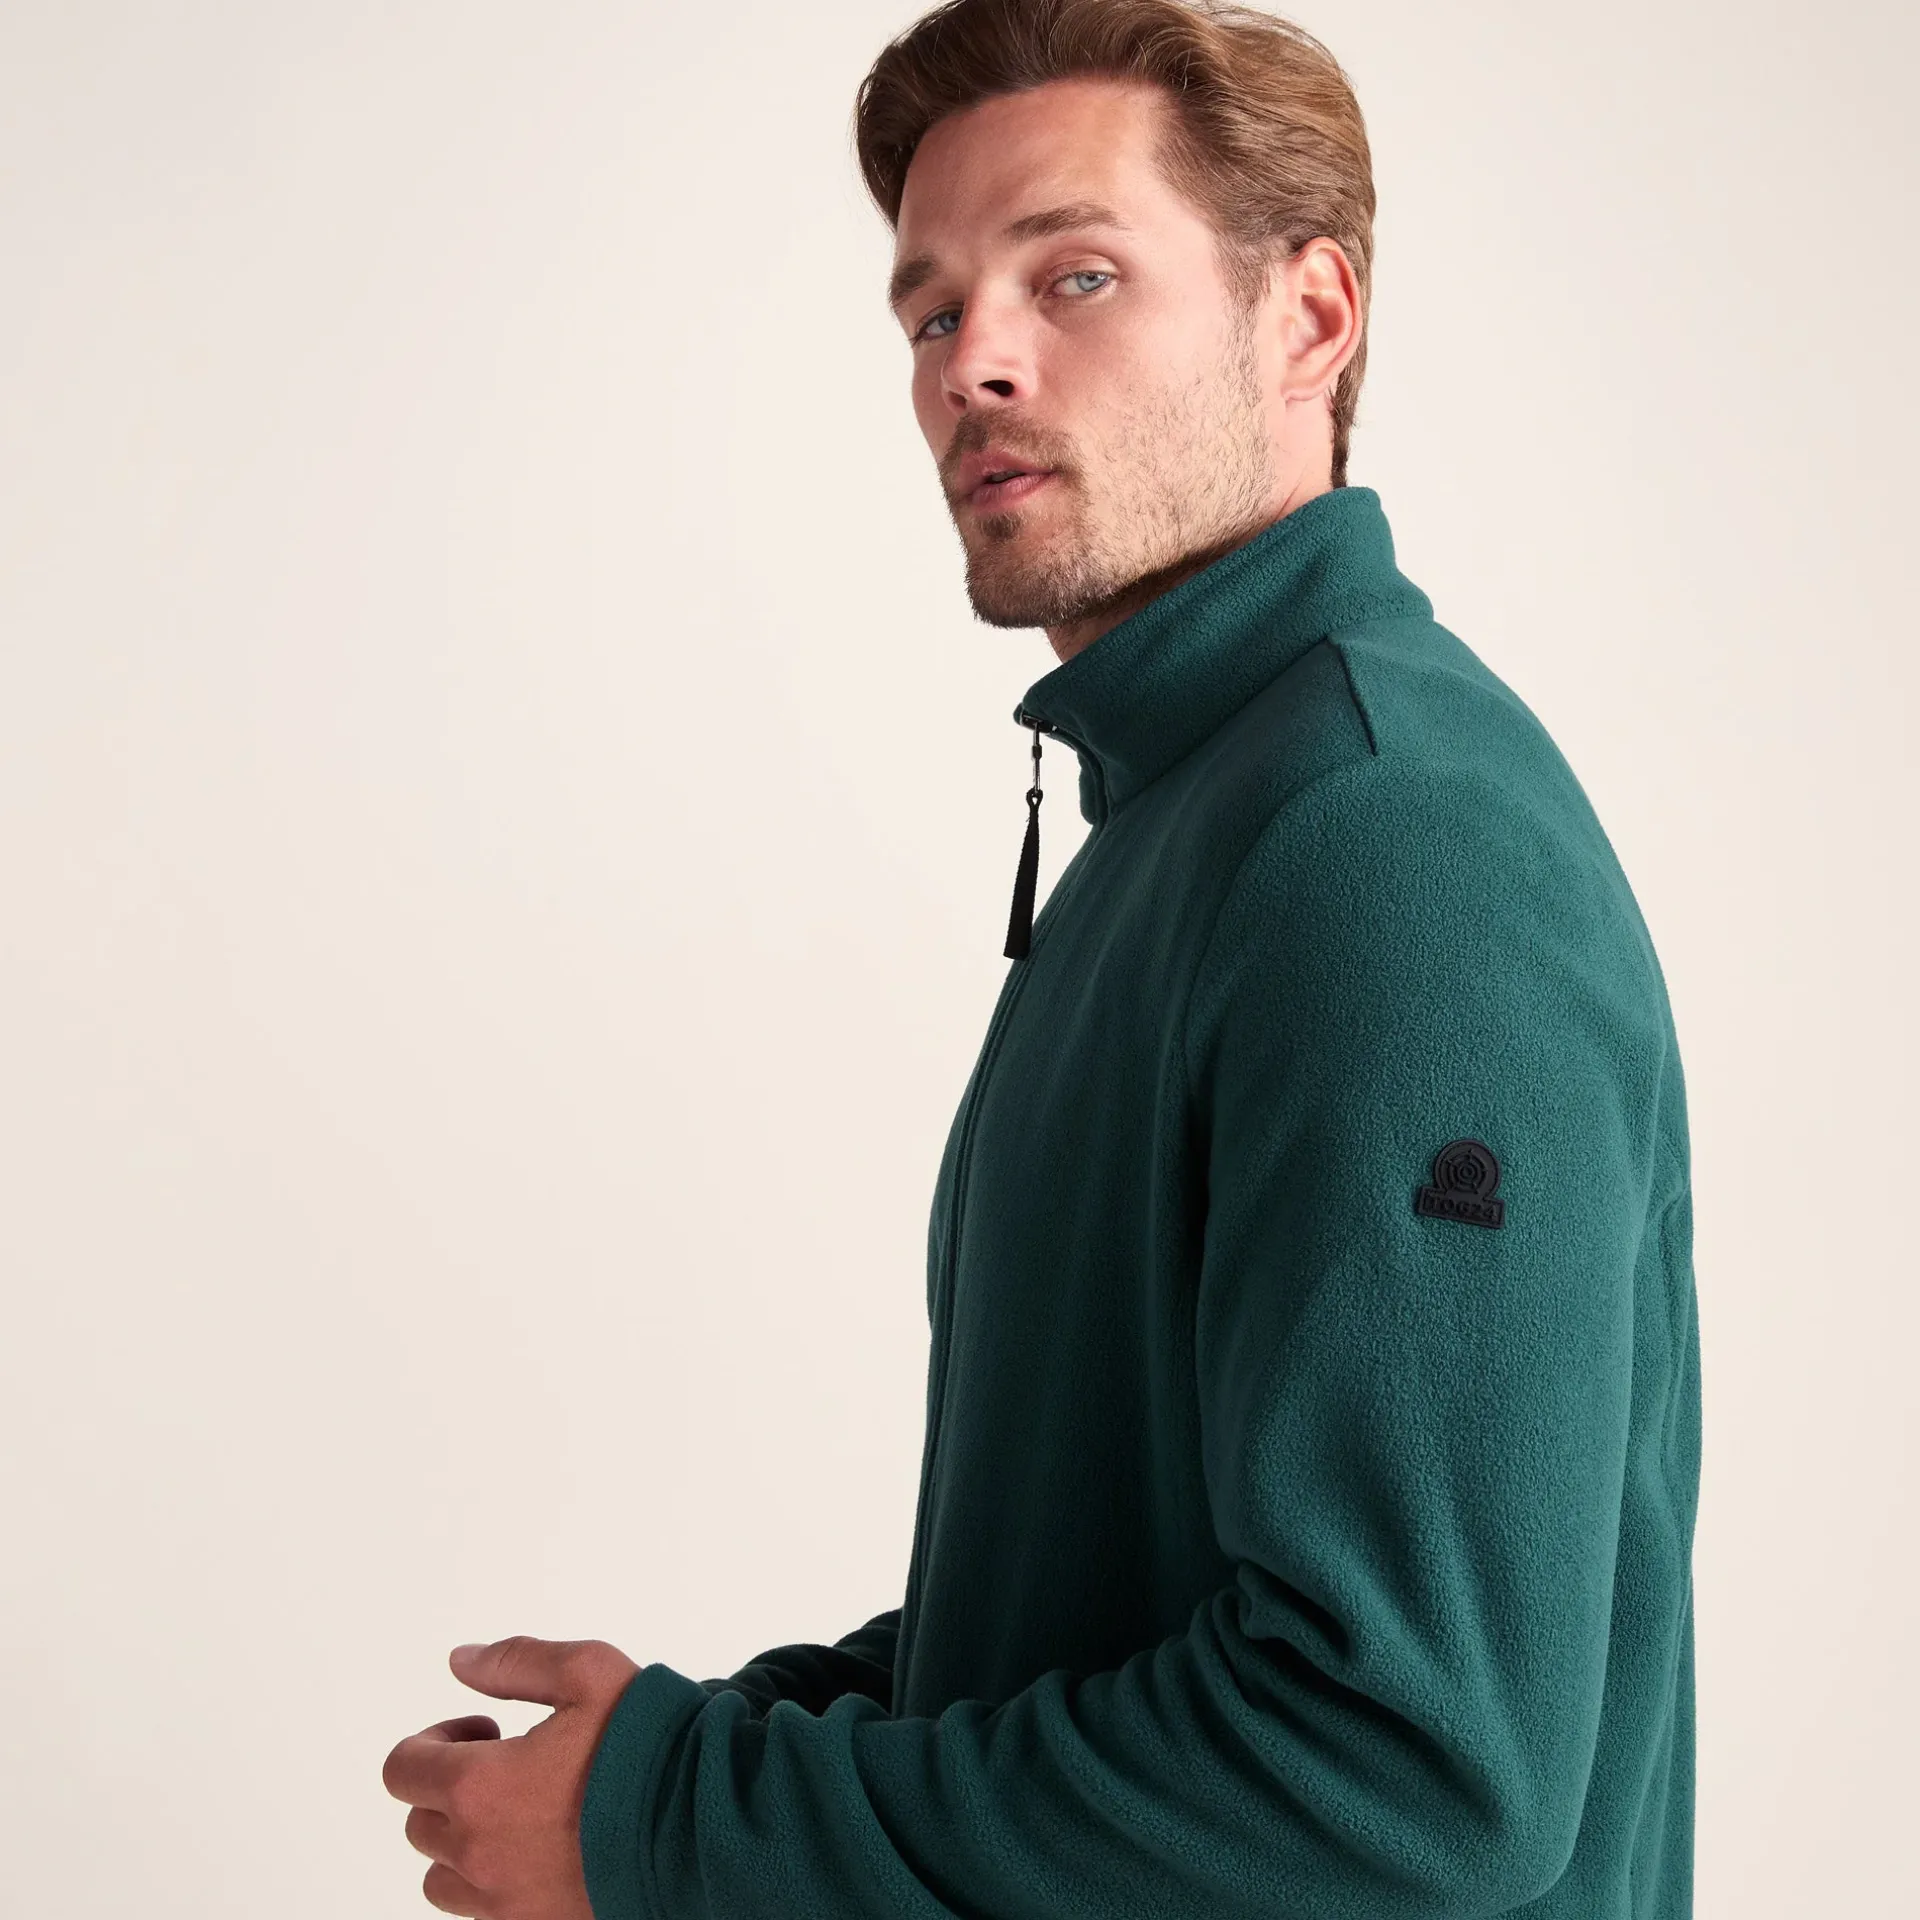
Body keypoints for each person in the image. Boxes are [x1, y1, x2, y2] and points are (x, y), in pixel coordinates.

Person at [381, 3, 1702, 1915]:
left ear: (1309, 317)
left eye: (1073, 276)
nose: (973, 364)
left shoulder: (1389, 843)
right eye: (931, 313)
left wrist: (689, 1822)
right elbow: (1108, 1597)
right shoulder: (1194, 815)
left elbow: (1410, 1768)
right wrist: (687, 1764)